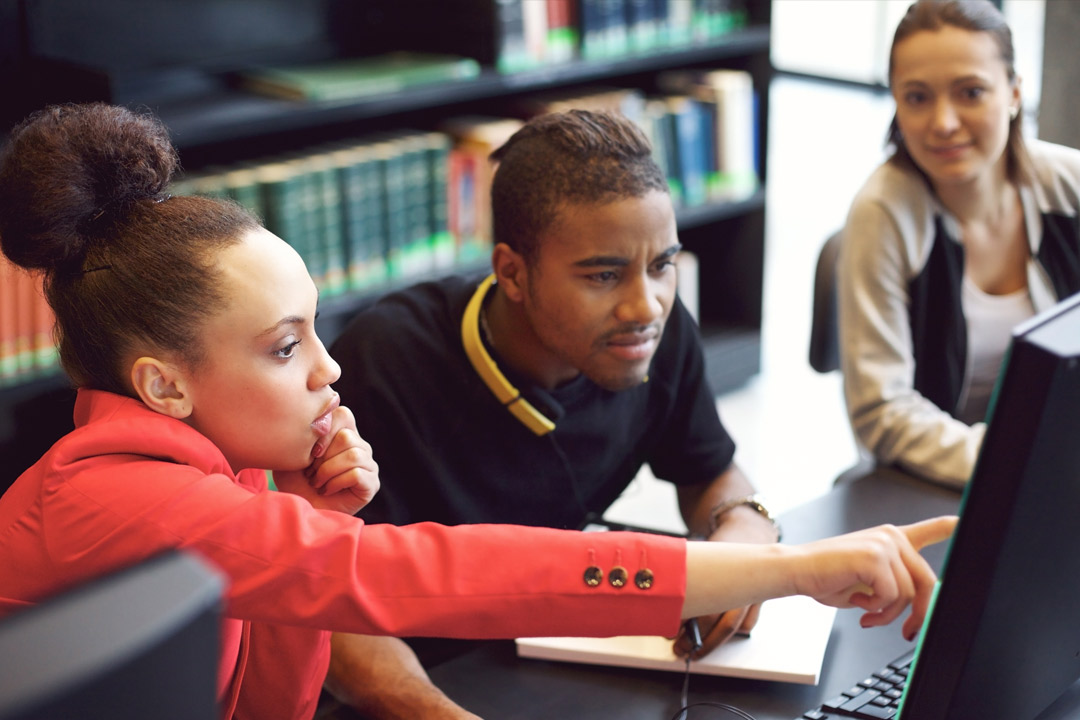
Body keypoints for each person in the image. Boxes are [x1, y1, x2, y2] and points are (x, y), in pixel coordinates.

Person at [0, 102, 954, 720]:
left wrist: (305, 520)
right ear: (165, 384)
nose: (329, 369)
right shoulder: (114, 497)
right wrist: (794, 568)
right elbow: (423, 573)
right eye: (286, 347)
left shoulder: (219, 469)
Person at [323, 109, 824, 718]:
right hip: (426, 676)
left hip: (553, 655)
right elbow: (327, 607)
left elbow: (707, 469)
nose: (646, 305)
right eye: (605, 275)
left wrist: (745, 530)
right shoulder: (384, 361)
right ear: (512, 272)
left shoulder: (656, 335)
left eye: (662, 265)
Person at [838, 0, 1080, 487]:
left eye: (970, 92)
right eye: (918, 97)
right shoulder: (882, 214)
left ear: (1013, 93)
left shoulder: (1069, 186)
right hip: (940, 484)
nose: (943, 122)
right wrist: (1015, 460)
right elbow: (881, 411)